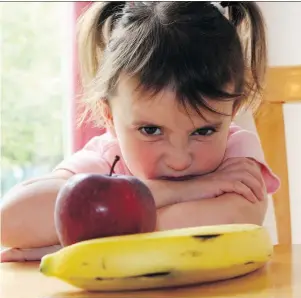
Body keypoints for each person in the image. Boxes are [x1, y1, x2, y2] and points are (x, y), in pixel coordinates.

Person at [0, 1, 280, 262]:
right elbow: (10, 221)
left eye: (204, 131)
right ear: (109, 116)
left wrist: (77, 242)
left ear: (233, 110)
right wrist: (187, 190)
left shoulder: (236, 152)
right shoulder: (108, 157)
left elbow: (234, 220)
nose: (179, 159)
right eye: (151, 130)